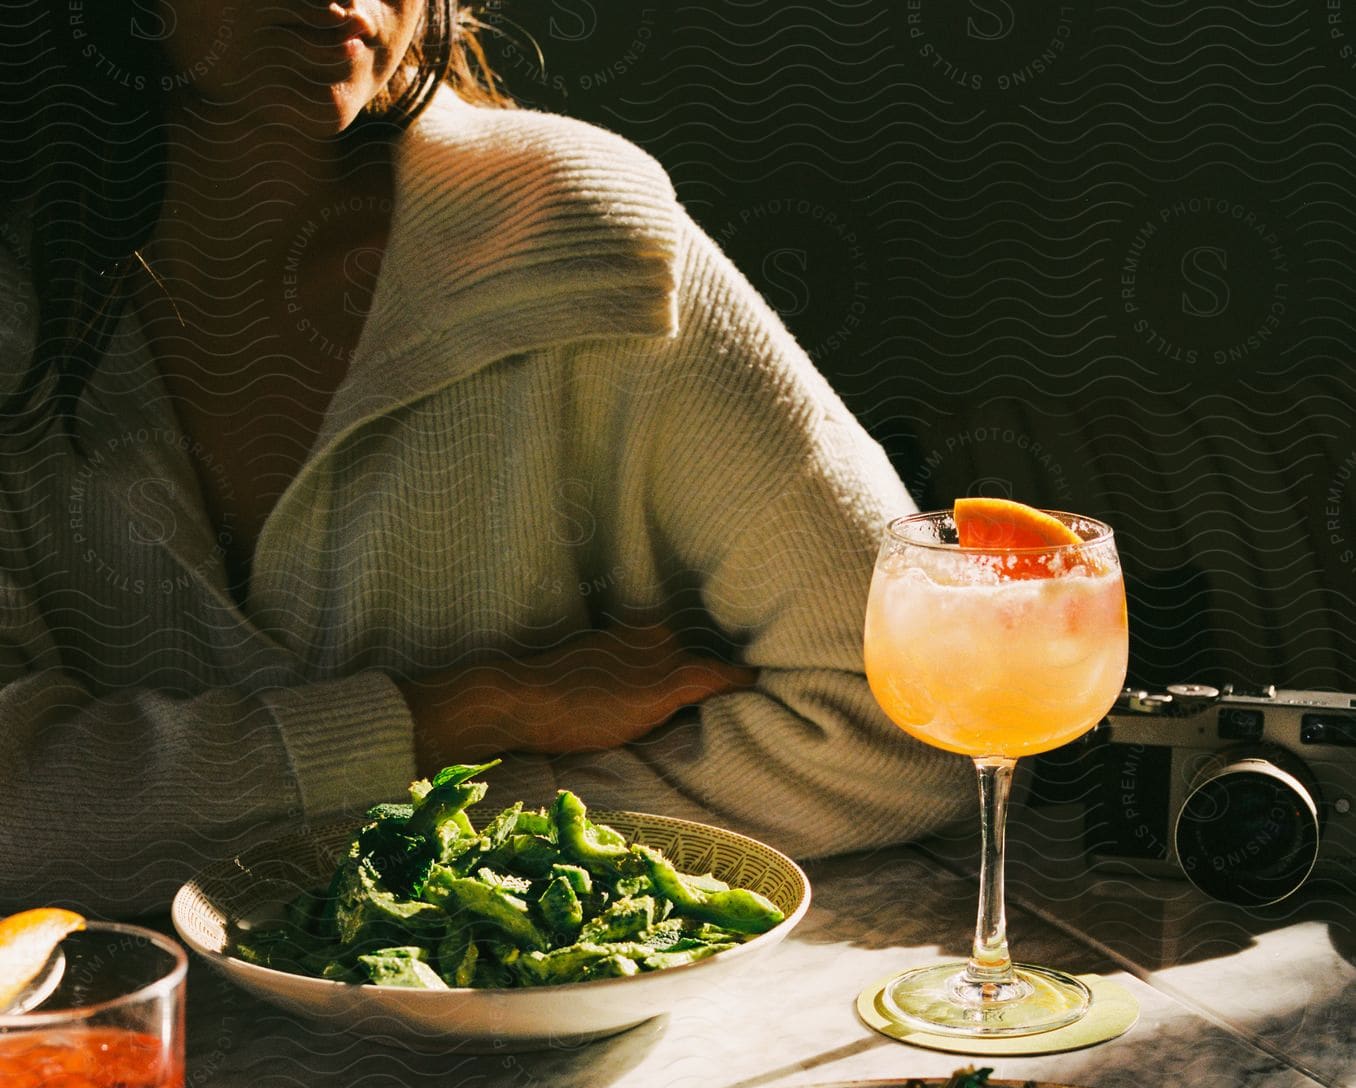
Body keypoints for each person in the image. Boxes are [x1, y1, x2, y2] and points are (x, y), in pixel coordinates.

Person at [0, 2, 968, 914]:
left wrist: (432, 848)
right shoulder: (18, 301)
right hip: (97, 1063)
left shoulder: (568, 230)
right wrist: (462, 712)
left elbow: (914, 720)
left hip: (594, 1057)